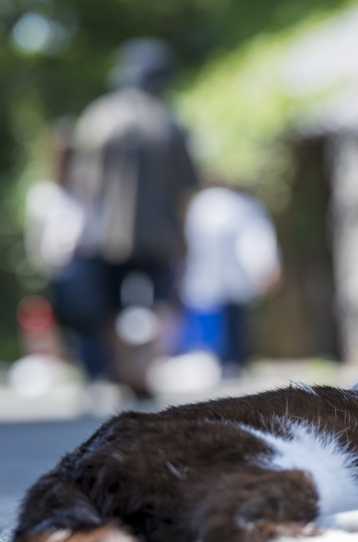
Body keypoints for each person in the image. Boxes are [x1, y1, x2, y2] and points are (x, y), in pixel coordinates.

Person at [70, 37, 200, 396]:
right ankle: (146, 370)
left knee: (111, 304)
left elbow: (85, 189)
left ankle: (125, 368)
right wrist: (184, 241)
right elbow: (185, 191)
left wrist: (80, 233)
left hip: (107, 235)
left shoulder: (97, 118)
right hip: (162, 234)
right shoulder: (169, 122)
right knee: (162, 302)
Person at [179, 185, 281, 376]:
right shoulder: (244, 207)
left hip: (203, 289)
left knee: (206, 352)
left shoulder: (200, 204)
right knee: (233, 351)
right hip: (232, 289)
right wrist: (264, 269)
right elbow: (254, 243)